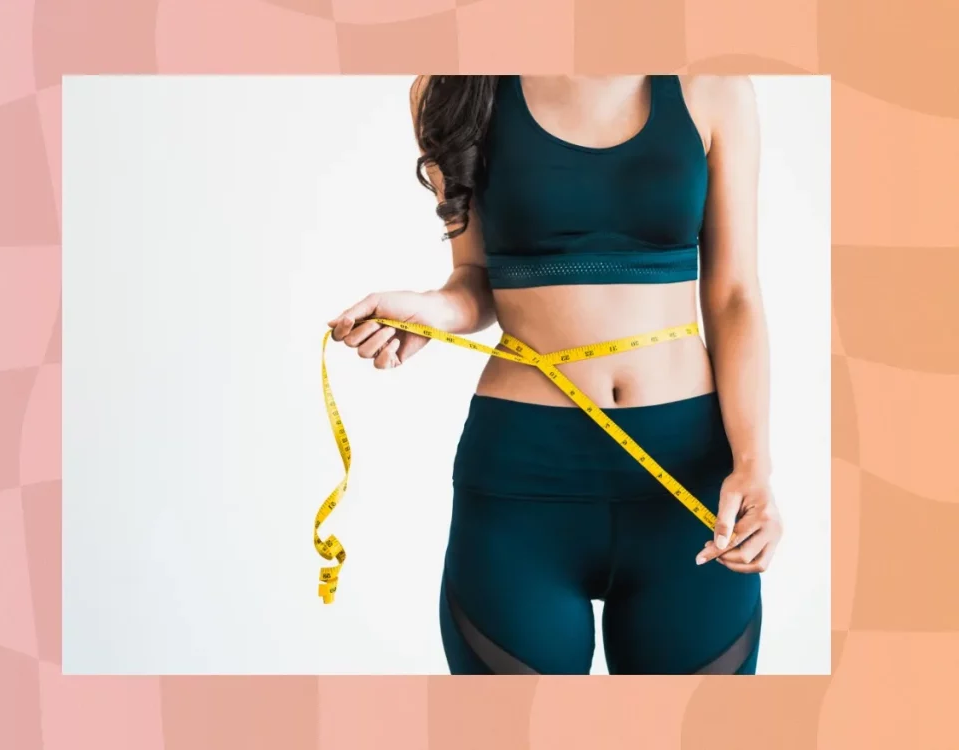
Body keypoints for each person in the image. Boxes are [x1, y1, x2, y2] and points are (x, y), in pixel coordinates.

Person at [327, 75, 783, 675]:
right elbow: (474, 278)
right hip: (522, 481)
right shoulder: (454, 87)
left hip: (689, 479)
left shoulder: (713, 89)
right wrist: (432, 309)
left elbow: (733, 297)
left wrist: (753, 464)